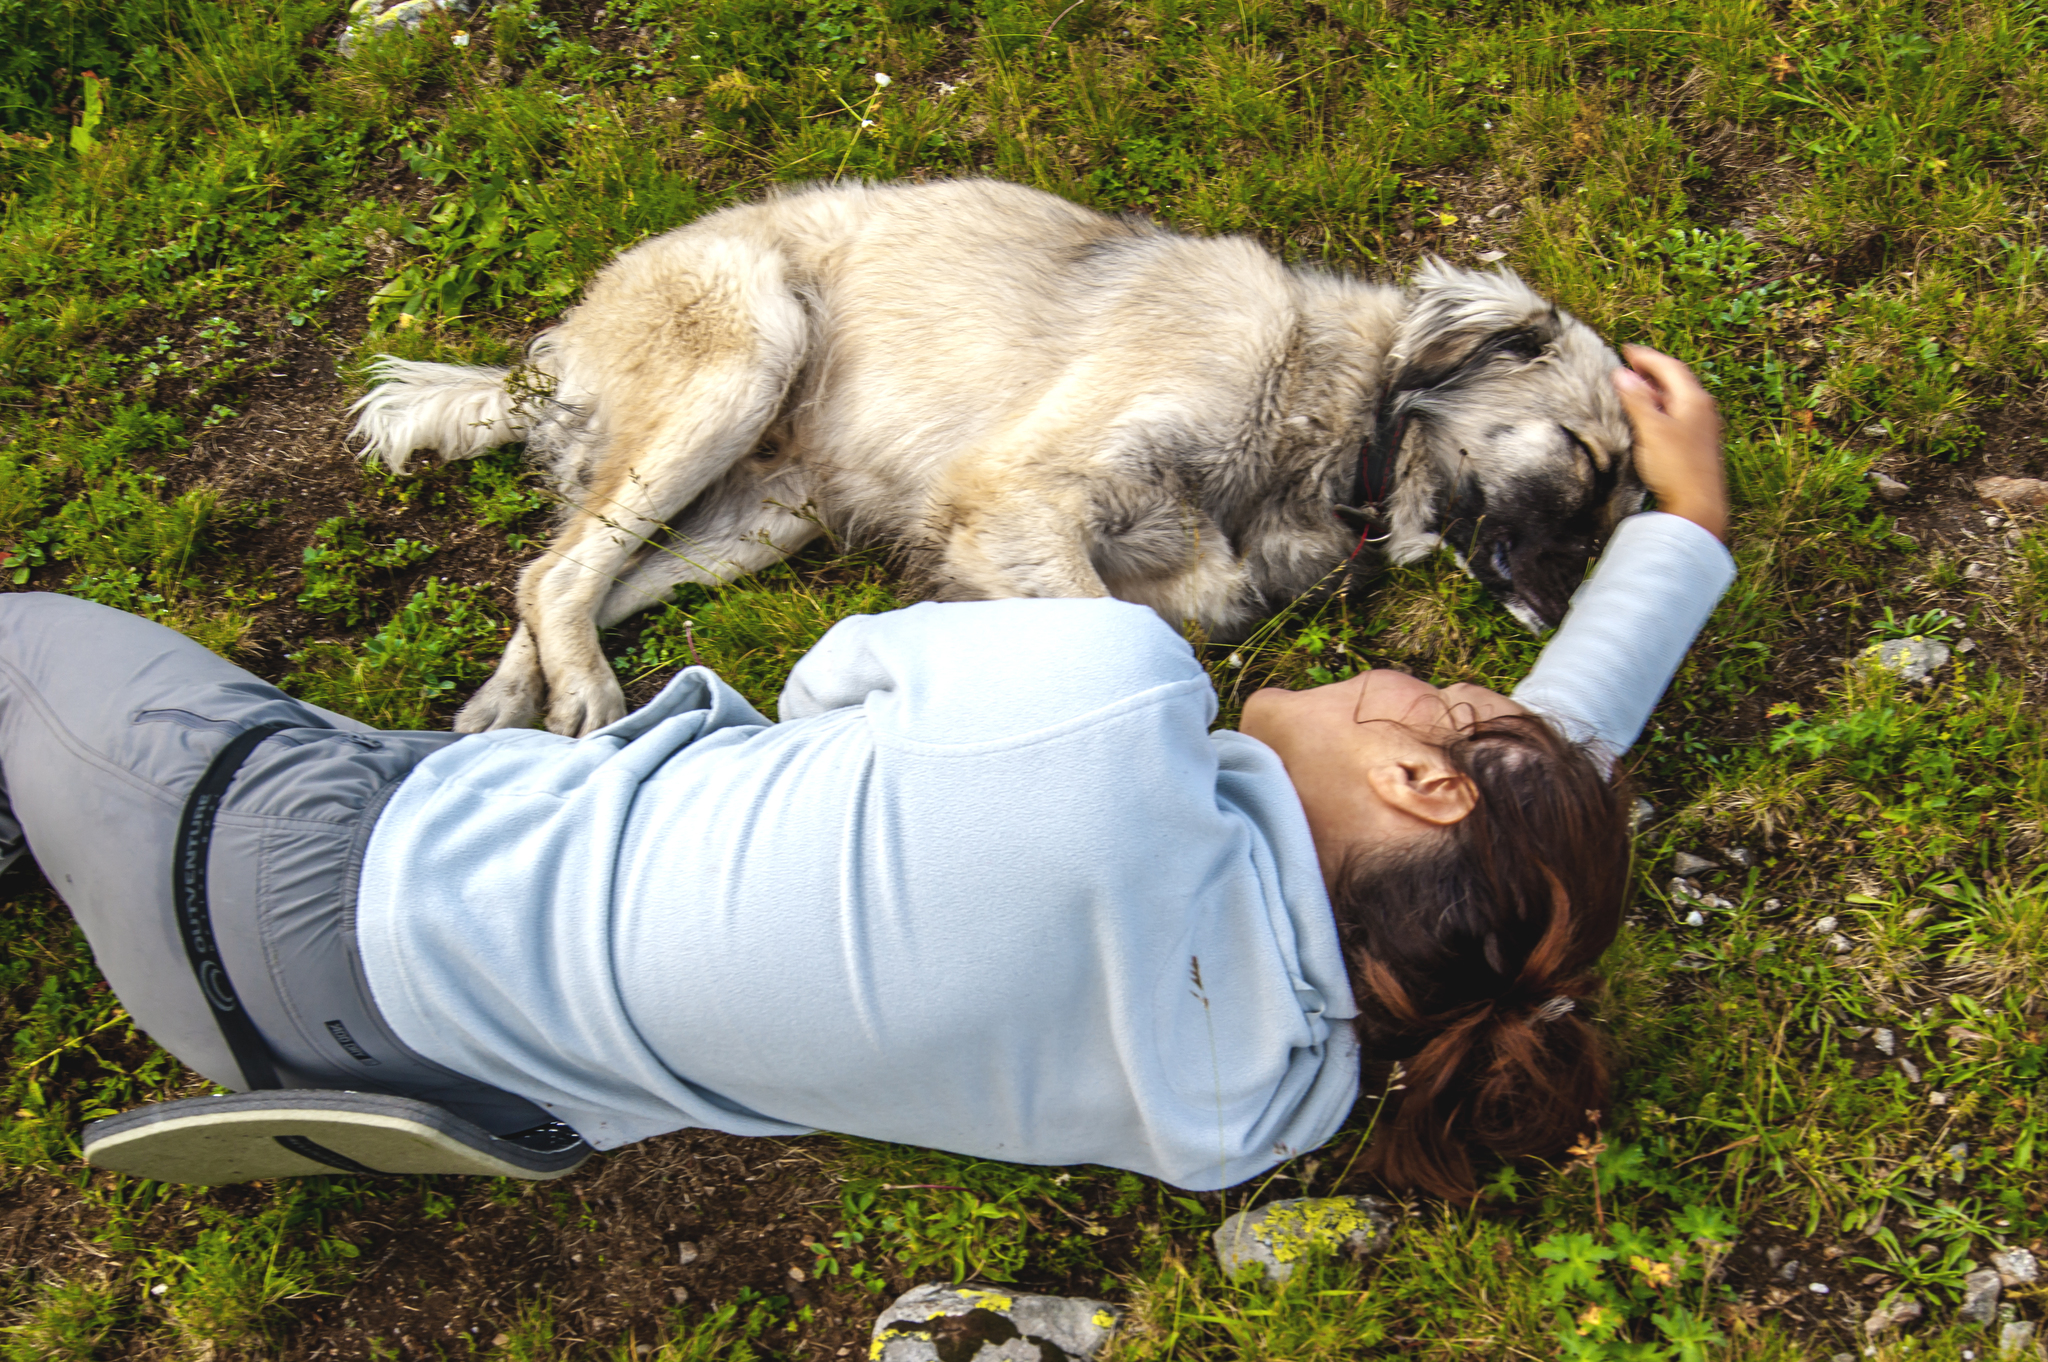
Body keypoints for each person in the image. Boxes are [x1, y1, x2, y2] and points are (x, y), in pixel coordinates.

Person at [0, 347, 1730, 1199]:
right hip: (479, 1094)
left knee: (25, 646)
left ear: (1426, 787)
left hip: (294, 875)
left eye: (1444, 696)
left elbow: (836, 683)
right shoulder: (1281, 1095)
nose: (1417, 667)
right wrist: (1684, 538)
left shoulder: (1114, 706)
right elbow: (1534, 814)